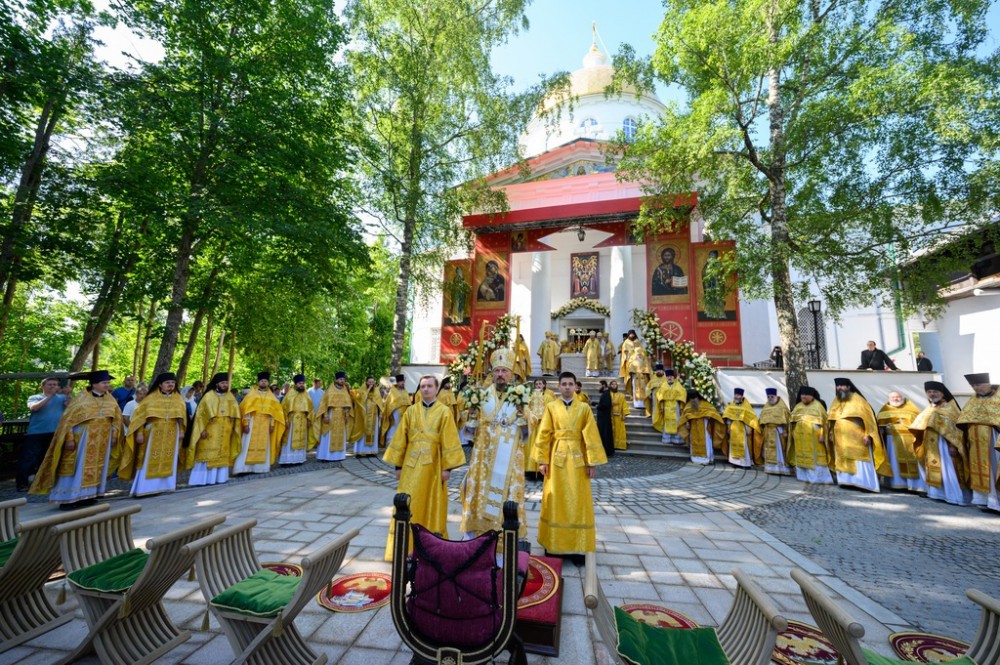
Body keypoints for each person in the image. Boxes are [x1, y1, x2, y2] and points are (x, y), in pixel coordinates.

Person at [383, 375, 466, 560]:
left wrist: (447, 469)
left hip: (434, 468)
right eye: (423, 386)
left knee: (431, 504)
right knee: (406, 503)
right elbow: (400, 438)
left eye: (429, 386)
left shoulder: (444, 412)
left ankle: (430, 550)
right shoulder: (411, 411)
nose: (426, 389)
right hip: (410, 467)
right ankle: (403, 548)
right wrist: (398, 466)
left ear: (436, 389)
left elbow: (450, 440)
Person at [533, 371, 608, 565]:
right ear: (558, 386)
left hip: (578, 461)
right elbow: (544, 434)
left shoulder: (584, 408)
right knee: (556, 499)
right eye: (564, 384)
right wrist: (542, 461)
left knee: (577, 501)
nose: (567, 387)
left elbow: (591, 435)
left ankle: (577, 547)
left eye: (570, 384)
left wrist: (591, 462)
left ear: (575, 386)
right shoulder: (551, 407)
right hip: (555, 460)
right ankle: (553, 545)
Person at [460, 348, 529, 542]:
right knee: (479, 491)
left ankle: (506, 541)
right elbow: (469, 429)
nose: (500, 374)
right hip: (483, 457)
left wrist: (524, 414)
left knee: (508, 495)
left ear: (511, 374)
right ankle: (474, 539)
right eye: (497, 370)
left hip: (510, 459)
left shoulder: (520, 396)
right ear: (492, 373)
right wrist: (470, 415)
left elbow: (530, 425)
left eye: (504, 371)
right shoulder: (481, 396)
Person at [30, 370, 123, 509]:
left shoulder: (110, 400)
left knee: (97, 468)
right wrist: (69, 439)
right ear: (94, 384)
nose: (107, 385)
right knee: (76, 468)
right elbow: (67, 421)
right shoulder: (81, 399)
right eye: (104, 383)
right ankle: (68, 499)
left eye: (108, 383)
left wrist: (114, 436)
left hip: (102, 440)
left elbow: (116, 419)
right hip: (82, 439)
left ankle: (88, 496)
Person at [119, 371, 187, 497]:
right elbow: (139, 418)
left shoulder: (178, 399)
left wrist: (182, 431)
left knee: (169, 459)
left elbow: (182, 418)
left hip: (172, 432)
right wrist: (139, 433)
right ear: (160, 384)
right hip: (153, 432)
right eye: (167, 383)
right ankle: (145, 488)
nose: (171, 385)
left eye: (173, 382)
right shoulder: (150, 398)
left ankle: (166, 486)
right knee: (148, 459)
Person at [910, 381, 970, 506]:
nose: (932, 394)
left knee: (948, 469)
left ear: (942, 393)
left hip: (944, 445)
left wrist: (953, 446)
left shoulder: (950, 408)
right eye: (929, 392)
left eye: (935, 392)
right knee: (934, 468)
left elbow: (956, 430)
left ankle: (953, 496)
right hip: (930, 445)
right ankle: (937, 493)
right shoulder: (929, 408)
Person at [828, 378, 889, 492]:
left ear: (848, 387)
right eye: (837, 386)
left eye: (842, 385)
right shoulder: (836, 401)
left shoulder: (858, 400)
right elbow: (831, 420)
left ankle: (865, 484)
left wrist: (868, 434)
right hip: (840, 437)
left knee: (860, 460)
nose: (839, 388)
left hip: (858, 437)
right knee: (843, 458)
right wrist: (831, 432)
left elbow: (869, 419)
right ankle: (847, 482)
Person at [186, 372, 241, 486]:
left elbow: (236, 415)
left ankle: (220, 478)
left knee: (222, 455)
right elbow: (200, 417)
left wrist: (233, 422)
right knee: (207, 456)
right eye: (222, 383)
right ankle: (201, 480)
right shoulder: (208, 396)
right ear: (217, 384)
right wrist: (202, 430)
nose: (225, 385)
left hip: (225, 431)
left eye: (226, 383)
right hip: (210, 431)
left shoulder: (230, 397)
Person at [17, 376, 70, 492]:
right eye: (50, 384)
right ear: (43, 386)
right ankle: (22, 484)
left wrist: (68, 395)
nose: (53, 387)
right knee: (29, 458)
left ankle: (46, 482)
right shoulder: (35, 397)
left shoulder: (61, 398)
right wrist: (49, 396)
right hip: (36, 433)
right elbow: (34, 408)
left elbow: (70, 408)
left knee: (50, 458)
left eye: (55, 385)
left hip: (55, 432)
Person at [956, 373, 1000, 512]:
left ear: (988, 384)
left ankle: (997, 502)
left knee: (994, 468)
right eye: (973, 386)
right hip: (975, 442)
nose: (975, 388)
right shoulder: (973, 399)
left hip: (994, 439)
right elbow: (963, 419)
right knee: (979, 469)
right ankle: (985, 500)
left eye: (978, 385)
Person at [234, 371, 285, 474]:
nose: (264, 383)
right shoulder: (251, 394)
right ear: (258, 382)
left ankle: (260, 468)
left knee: (264, 445)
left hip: (265, 424)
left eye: (265, 381)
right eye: (262, 381)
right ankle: (244, 468)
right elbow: (246, 410)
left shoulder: (271, 397)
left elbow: (273, 413)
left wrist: (272, 424)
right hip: (252, 422)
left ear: (268, 383)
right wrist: (246, 424)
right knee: (247, 444)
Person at [876, 391, 924, 491]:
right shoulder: (884, 410)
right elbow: (879, 426)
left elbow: (919, 423)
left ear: (902, 398)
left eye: (898, 397)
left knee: (912, 462)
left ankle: (913, 485)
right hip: (891, 442)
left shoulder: (912, 409)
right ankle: (896, 484)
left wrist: (904, 423)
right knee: (894, 462)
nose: (895, 399)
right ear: (889, 399)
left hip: (909, 440)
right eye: (893, 397)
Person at [790, 386, 834, 484]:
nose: (803, 397)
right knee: (801, 457)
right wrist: (793, 432)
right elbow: (792, 421)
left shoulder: (818, 406)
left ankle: (819, 479)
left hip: (814, 437)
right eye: (802, 394)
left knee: (815, 458)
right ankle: (803, 477)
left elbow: (825, 422)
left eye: (806, 395)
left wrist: (823, 434)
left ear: (812, 396)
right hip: (800, 438)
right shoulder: (798, 406)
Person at [314, 371, 361, 461]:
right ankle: (326, 456)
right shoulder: (330, 390)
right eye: (340, 379)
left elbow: (347, 405)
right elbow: (324, 404)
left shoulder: (345, 391)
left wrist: (347, 415)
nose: (342, 381)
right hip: (331, 415)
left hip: (341, 417)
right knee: (328, 436)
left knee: (340, 436)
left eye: (343, 379)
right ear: (336, 380)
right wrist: (325, 416)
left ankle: (339, 456)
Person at [678, 389, 726, 465]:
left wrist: (708, 416)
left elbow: (714, 414)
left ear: (698, 397)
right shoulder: (688, 406)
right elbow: (684, 418)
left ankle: (706, 459)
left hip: (704, 427)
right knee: (694, 442)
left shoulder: (705, 405)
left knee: (706, 442)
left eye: (694, 398)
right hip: (693, 428)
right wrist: (687, 422)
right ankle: (696, 459)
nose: (693, 400)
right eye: (691, 399)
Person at [526, 378, 557, 478]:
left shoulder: (548, 398)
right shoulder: (530, 397)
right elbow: (526, 409)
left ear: (544, 385)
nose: (538, 385)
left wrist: (544, 418)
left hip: (543, 425)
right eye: (536, 384)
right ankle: (530, 470)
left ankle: (542, 471)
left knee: (542, 446)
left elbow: (552, 410)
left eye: (540, 384)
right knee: (531, 446)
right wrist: (532, 417)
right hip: (532, 426)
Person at [279, 374, 314, 464]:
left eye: (302, 383)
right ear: (295, 384)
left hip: (303, 420)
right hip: (292, 420)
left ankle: (299, 459)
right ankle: (287, 460)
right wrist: (286, 420)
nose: (301, 385)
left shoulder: (306, 395)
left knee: (301, 440)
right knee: (289, 440)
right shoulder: (290, 394)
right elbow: (283, 408)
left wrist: (309, 420)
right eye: (299, 383)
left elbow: (311, 409)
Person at [757, 388, 792, 475]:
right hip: (768, 431)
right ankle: (770, 468)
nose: (770, 398)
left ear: (776, 396)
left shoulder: (782, 407)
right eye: (768, 397)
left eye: (772, 396)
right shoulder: (766, 407)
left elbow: (787, 420)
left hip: (778, 432)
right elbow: (761, 420)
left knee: (780, 450)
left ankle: (782, 469)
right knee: (769, 450)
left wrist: (785, 431)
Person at [722, 388, 760, 467]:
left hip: (743, 429)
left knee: (744, 446)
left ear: (742, 396)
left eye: (738, 395)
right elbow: (728, 418)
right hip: (734, 429)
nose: (736, 396)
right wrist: (728, 427)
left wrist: (749, 429)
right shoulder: (731, 405)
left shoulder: (746, 406)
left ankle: (744, 464)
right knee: (733, 445)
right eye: (735, 395)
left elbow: (750, 419)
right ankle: (735, 462)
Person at [654, 370, 688, 445]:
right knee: (667, 422)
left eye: (671, 376)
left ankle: (677, 440)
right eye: (668, 376)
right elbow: (659, 395)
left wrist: (681, 407)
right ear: (666, 377)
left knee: (676, 421)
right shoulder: (663, 385)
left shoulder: (678, 384)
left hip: (675, 406)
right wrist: (661, 407)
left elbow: (683, 394)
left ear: (673, 377)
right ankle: (667, 439)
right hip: (666, 406)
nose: (669, 378)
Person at [354, 376, 384, 457]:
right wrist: (368, 390)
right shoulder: (361, 390)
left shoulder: (376, 390)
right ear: (366, 382)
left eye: (372, 382)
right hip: (364, 415)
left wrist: (381, 412)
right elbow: (359, 400)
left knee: (373, 432)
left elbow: (379, 402)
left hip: (374, 415)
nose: (371, 384)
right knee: (362, 432)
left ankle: (371, 451)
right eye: (369, 382)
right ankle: (359, 451)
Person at [381, 374, 410, 447]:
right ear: (397, 382)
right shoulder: (393, 391)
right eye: (401, 382)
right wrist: (390, 414)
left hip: (404, 413)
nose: (403, 383)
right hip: (395, 412)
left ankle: (401, 444)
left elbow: (408, 402)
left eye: (403, 381)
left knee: (403, 428)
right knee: (394, 427)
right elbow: (389, 403)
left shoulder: (405, 391)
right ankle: (390, 444)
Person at [595, 380, 614, 457]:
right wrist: (595, 404)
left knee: (605, 435)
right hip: (603, 418)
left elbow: (604, 406)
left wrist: (597, 406)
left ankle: (606, 451)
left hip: (604, 419)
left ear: (603, 385)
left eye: (599, 385)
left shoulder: (606, 394)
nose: (598, 387)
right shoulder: (605, 394)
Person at [609, 380, 629, 451]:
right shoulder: (608, 395)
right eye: (613, 384)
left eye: (615, 384)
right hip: (610, 416)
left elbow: (624, 405)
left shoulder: (621, 395)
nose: (614, 386)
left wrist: (624, 414)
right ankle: (611, 445)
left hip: (619, 416)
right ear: (610, 386)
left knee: (620, 431)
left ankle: (620, 445)